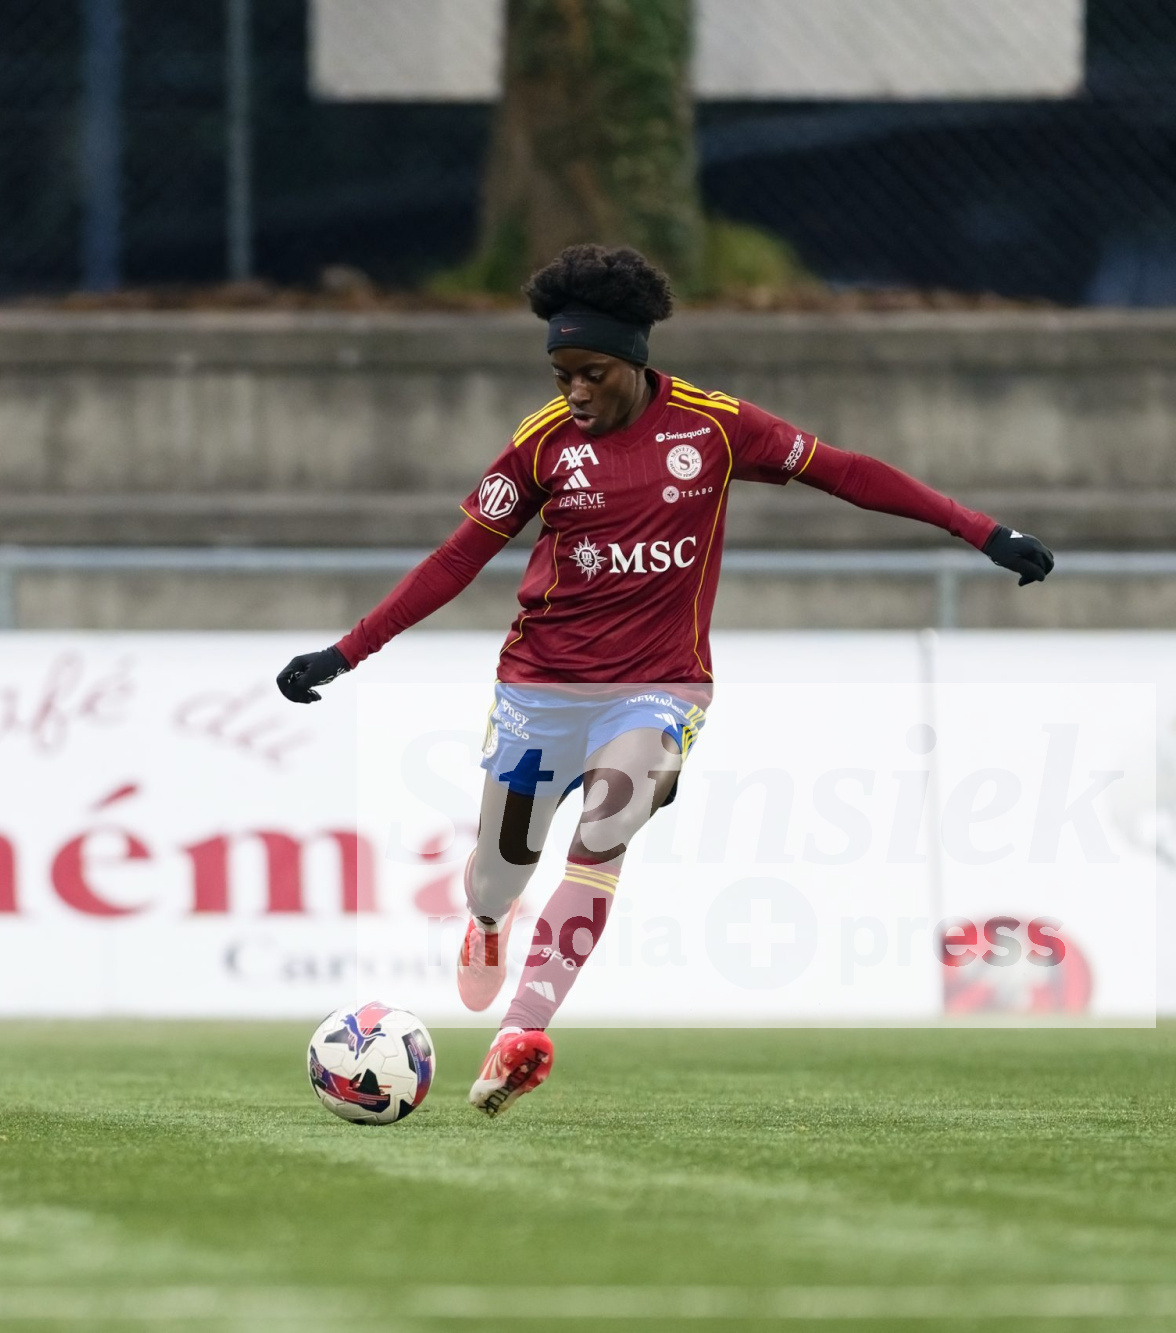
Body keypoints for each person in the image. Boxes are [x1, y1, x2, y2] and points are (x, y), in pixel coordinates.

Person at [275, 244, 1053, 1118]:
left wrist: (982, 531)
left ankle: (520, 1032)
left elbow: (847, 472)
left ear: (635, 360)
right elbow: (456, 559)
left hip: (661, 685)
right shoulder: (541, 445)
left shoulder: (713, 427)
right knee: (500, 870)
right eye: (562, 374)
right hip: (540, 691)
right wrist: (346, 652)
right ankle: (489, 921)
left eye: (592, 373)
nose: (574, 391)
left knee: (608, 825)